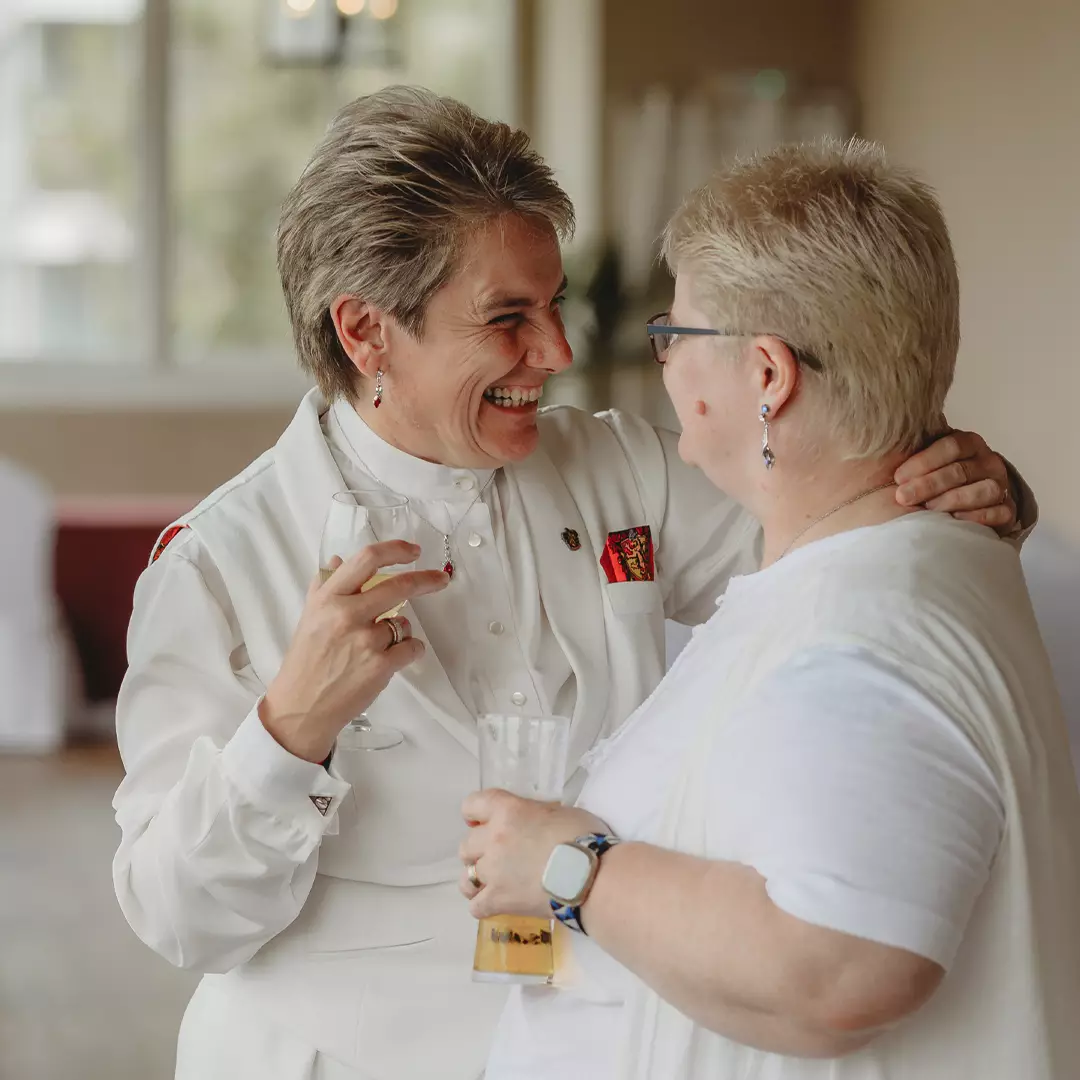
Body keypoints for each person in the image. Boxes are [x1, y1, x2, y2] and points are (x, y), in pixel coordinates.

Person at [110, 88, 1029, 1080]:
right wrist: (288, 731)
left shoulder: (620, 471)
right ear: (366, 333)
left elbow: (838, 519)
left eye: (552, 305)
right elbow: (178, 918)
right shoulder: (216, 567)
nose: (558, 353)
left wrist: (984, 487)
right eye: (509, 319)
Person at [459, 139, 1080, 1080]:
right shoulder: (883, 564)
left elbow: (837, 971)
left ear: (766, 377)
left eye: (676, 337)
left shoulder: (860, 639)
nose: (663, 365)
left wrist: (571, 867)